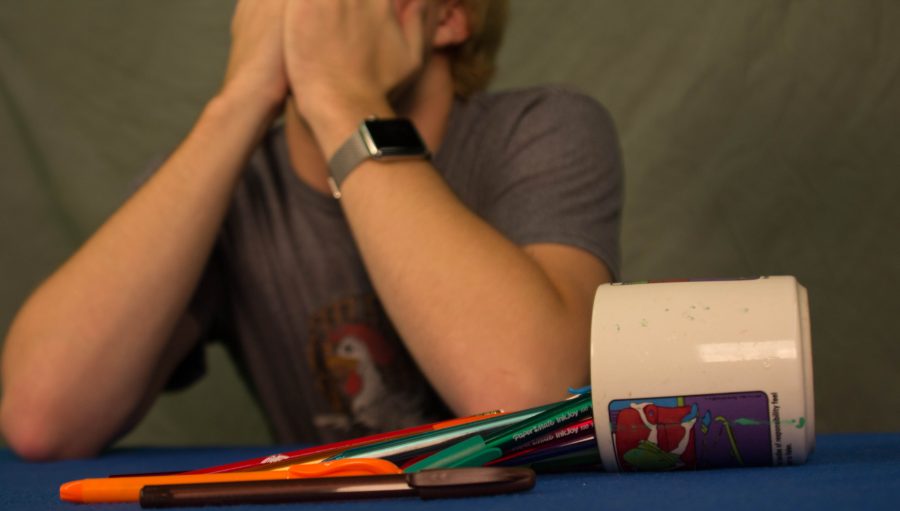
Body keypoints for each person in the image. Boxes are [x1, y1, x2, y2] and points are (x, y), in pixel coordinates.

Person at [0, 0, 622, 459]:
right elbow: (42, 416)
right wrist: (241, 100)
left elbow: (527, 398)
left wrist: (339, 93)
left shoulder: (541, 131)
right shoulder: (226, 185)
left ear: (448, 18)